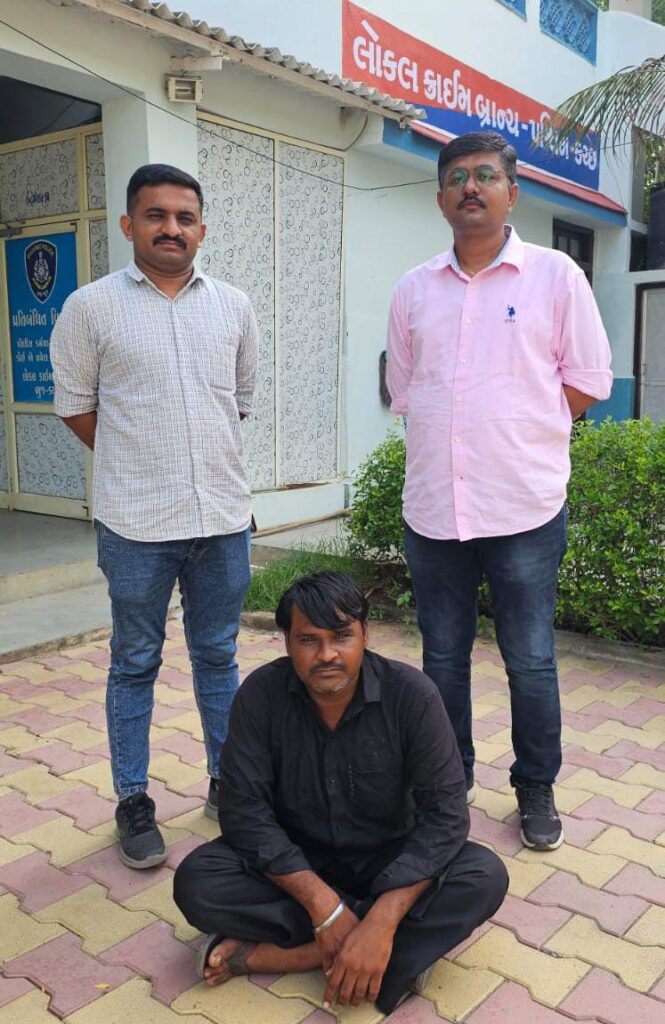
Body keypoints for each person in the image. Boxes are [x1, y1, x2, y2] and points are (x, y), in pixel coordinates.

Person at [386, 131, 613, 852]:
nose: (470, 188)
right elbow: (405, 391)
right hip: (434, 511)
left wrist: (519, 433)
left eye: (485, 175)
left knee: (530, 659)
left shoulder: (555, 277)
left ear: (511, 193)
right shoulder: (414, 288)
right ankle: (446, 784)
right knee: (442, 659)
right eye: (457, 178)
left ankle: (535, 786)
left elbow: (586, 381)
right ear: (440, 199)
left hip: (523, 508)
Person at [173, 571, 508, 1015]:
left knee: (483, 875)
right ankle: (386, 953)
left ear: (365, 635)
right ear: (287, 642)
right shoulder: (260, 696)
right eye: (308, 640)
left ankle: (294, 956)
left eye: (342, 636)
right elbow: (243, 812)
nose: (327, 654)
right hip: (298, 866)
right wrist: (323, 905)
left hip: (390, 863)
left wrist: (384, 917)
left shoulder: (413, 696)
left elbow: (446, 817)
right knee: (198, 881)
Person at [51, 163, 258, 869]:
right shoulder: (90, 307)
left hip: (222, 520)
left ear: (202, 228)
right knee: (135, 662)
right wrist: (136, 460)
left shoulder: (233, 306)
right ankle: (133, 800)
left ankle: (228, 784)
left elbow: (238, 402)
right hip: (136, 525)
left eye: (184, 217)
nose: (171, 228)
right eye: (156, 215)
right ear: (128, 224)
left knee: (218, 656)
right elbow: (75, 405)